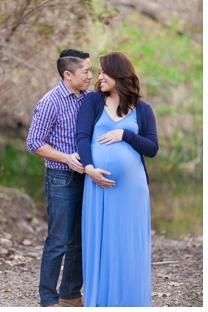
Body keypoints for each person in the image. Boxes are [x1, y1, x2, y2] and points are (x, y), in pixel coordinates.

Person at [75, 51, 158, 307]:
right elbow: (82, 137)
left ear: (118, 73)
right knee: (100, 242)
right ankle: (101, 302)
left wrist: (125, 134)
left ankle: (131, 302)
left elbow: (152, 148)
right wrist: (89, 168)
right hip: (97, 183)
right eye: (98, 72)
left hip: (131, 190)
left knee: (128, 245)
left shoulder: (143, 110)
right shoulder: (92, 102)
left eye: (103, 72)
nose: (99, 78)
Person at [26, 49, 92, 307]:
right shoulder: (50, 102)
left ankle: (70, 294)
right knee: (58, 242)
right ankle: (48, 299)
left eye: (90, 70)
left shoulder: (89, 98)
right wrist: (66, 158)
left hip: (87, 179)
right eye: (85, 71)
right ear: (68, 74)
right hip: (60, 179)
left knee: (79, 241)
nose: (90, 75)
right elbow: (33, 143)